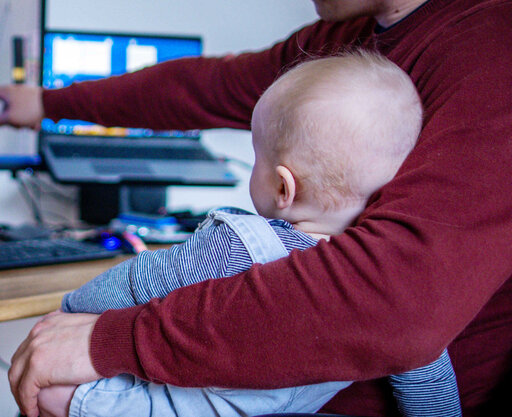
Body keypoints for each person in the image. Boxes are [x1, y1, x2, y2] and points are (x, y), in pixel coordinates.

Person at [0, 0, 512, 416]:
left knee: (54, 393)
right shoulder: (351, 36)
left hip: (349, 398)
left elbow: (395, 307)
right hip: (338, 383)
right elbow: (206, 88)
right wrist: (49, 102)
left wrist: (105, 337)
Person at [36, 51, 460, 417]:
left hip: (180, 405)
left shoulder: (241, 246)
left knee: (52, 390)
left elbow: (139, 281)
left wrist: (73, 310)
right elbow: (427, 372)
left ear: (282, 188)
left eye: (257, 156)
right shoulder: (387, 289)